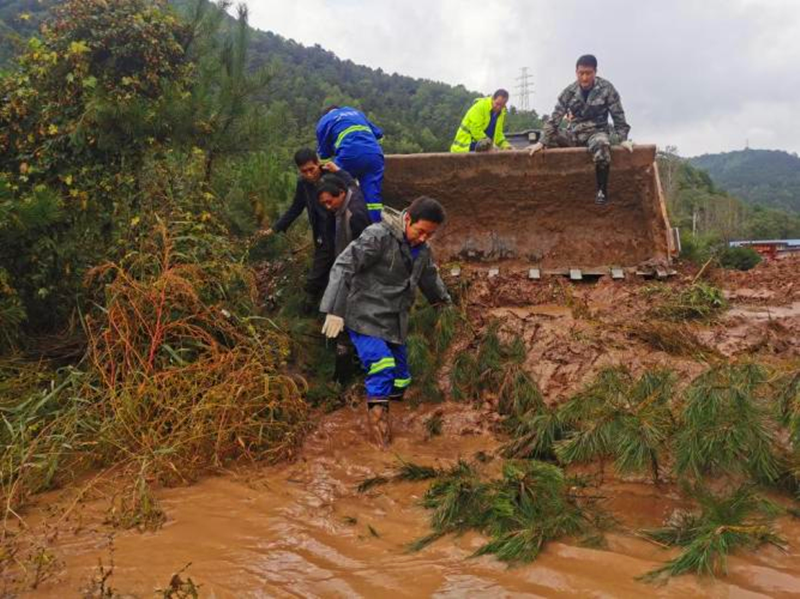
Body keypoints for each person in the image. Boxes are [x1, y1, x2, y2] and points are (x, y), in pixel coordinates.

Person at [319, 197, 451, 446]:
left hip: (394, 319)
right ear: (407, 219)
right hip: (364, 315)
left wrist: (444, 304)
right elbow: (344, 265)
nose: (423, 238)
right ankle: (380, 442)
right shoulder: (377, 236)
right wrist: (335, 309)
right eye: (420, 231)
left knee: (401, 377)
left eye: (429, 235)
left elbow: (429, 277)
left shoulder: (422, 250)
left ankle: (377, 404)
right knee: (382, 364)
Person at [529, 54, 632, 205]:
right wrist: (542, 141)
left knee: (602, 145)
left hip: (596, 133)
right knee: (548, 136)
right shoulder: (569, 92)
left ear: (595, 72)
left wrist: (623, 138)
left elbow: (618, 114)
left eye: (588, 73)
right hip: (574, 135)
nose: (584, 78)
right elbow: (555, 117)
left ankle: (601, 191)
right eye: (581, 73)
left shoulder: (607, 89)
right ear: (576, 72)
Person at [257, 148, 336, 313]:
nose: (308, 174)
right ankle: (318, 310)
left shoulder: (332, 177)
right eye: (303, 171)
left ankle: (317, 310)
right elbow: (295, 208)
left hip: (337, 233)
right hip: (320, 234)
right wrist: (275, 228)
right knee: (323, 272)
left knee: (323, 274)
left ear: (317, 163)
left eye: (311, 170)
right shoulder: (303, 184)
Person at [316, 106, 385, 223]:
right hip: (374, 155)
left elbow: (324, 157)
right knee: (373, 200)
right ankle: (376, 228)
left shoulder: (325, 120)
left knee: (333, 188)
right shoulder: (356, 112)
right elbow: (380, 136)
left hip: (348, 155)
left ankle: (341, 227)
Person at [315, 171, 371, 257]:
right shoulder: (338, 204)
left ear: (341, 193)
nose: (328, 207)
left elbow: (363, 251)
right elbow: (351, 183)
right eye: (323, 203)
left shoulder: (355, 215)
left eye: (329, 202)